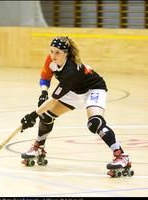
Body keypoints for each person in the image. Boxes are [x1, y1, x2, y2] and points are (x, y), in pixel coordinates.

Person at [20, 36, 132, 176]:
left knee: (95, 123)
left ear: (66, 53)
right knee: (45, 116)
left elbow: (54, 99)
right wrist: (43, 92)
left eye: (57, 53)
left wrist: (32, 116)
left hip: (93, 88)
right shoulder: (51, 60)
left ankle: (121, 156)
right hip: (74, 90)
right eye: (51, 51)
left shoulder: (71, 70)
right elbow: (45, 77)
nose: (53, 56)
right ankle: (39, 147)